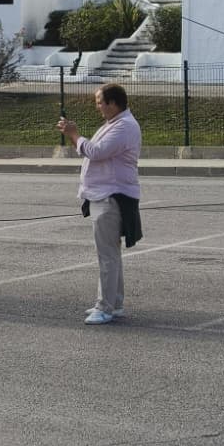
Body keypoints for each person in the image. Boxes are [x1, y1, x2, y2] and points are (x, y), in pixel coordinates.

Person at [58, 83, 142, 325]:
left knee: (107, 255)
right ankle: (114, 303)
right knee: (110, 254)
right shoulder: (114, 124)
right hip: (103, 195)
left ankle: (104, 307)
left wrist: (74, 135)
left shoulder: (124, 126)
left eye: (99, 102)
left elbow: (96, 152)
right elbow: (90, 151)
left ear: (113, 103)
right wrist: (73, 137)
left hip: (111, 197)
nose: (97, 107)